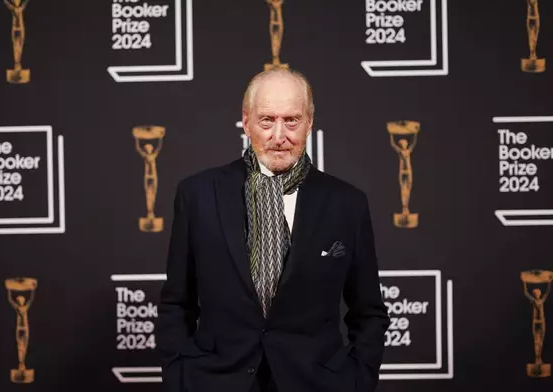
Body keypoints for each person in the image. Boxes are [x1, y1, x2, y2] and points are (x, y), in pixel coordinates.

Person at [158, 68, 389, 392]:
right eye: (267, 120)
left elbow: (369, 312)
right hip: (215, 381)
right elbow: (176, 303)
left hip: (316, 383)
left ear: (309, 121)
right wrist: (178, 376)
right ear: (246, 121)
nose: (279, 136)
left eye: (291, 121)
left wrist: (357, 380)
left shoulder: (347, 203)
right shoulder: (197, 195)